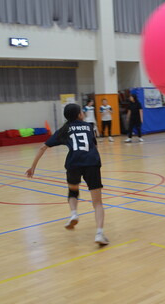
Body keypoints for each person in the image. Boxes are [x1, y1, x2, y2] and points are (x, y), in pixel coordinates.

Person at [25, 103, 109, 245]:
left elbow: (43, 147)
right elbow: (94, 146)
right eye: (81, 111)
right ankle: (99, 234)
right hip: (92, 163)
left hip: (73, 163)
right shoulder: (89, 126)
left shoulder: (64, 129)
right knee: (97, 203)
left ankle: (74, 214)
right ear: (79, 115)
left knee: (73, 190)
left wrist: (33, 167)